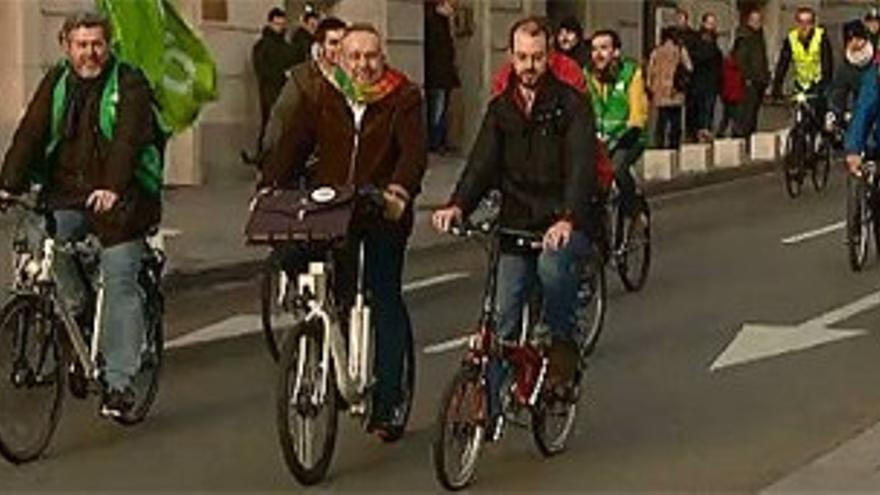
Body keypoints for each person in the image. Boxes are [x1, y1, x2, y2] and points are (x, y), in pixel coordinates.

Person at [432, 17, 597, 440]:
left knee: (552, 268)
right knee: (501, 317)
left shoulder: (571, 105)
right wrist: (456, 204)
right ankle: (486, 406)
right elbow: (481, 164)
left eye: (537, 57)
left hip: (562, 220)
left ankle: (560, 343)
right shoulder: (502, 108)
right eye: (522, 57)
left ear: (550, 57)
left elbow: (582, 169)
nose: (529, 65)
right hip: (517, 220)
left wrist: (568, 218)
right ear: (512, 56)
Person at [262, 24, 426, 439]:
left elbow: (413, 153)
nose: (362, 65)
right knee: (310, 267)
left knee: (381, 293)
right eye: (354, 56)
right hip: (332, 209)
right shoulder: (324, 93)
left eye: (370, 56)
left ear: (382, 57)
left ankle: (389, 400)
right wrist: (269, 186)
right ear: (339, 57)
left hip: (379, 210)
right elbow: (293, 143)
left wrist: (399, 192)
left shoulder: (403, 97)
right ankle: (328, 356)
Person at [0, 12, 164, 417]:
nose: (89, 52)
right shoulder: (56, 82)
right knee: (41, 242)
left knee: (119, 276)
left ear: (108, 46)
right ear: (66, 46)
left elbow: (128, 137)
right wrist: (9, 183)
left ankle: (119, 381)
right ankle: (76, 307)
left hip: (123, 201)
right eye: (81, 44)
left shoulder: (129, 82)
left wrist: (112, 186)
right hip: (68, 196)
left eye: (97, 44)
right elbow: (31, 131)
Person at [260, 16, 348, 164]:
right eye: (333, 43)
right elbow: (280, 118)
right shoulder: (301, 78)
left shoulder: (353, 78)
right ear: (321, 46)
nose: (339, 49)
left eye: (343, 43)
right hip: (309, 163)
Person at [585, 29, 648, 219]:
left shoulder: (631, 73)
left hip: (628, 137)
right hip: (598, 139)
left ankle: (632, 210)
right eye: (594, 49)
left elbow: (638, 113)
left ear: (616, 52)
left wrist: (628, 133)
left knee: (617, 169)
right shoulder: (587, 75)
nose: (598, 54)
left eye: (604, 48)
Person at [770, 7, 833, 132]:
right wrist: (776, 87)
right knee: (799, 114)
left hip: (817, 83)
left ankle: (820, 136)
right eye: (801, 22)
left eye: (808, 22)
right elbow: (783, 63)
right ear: (796, 23)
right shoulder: (791, 38)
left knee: (817, 114)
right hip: (801, 84)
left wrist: (823, 83)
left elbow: (827, 63)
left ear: (813, 24)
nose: (804, 26)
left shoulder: (821, 36)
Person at [252, 7, 298, 158]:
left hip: (287, 92)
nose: (280, 28)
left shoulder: (288, 47)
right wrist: (280, 75)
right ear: (270, 23)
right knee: (270, 126)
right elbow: (261, 69)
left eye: (282, 24)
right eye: (277, 24)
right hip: (270, 92)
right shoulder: (262, 46)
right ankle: (264, 158)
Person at [424, 0, 461, 154]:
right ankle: (436, 143)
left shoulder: (440, 22)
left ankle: (440, 141)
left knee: (441, 109)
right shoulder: (435, 22)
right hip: (438, 75)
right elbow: (440, 51)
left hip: (442, 74)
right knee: (437, 110)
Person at [648, 27, 691, 149]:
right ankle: (673, 145)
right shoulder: (680, 50)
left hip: (660, 89)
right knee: (675, 120)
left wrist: (650, 86)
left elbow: (650, 69)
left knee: (661, 119)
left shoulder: (656, 51)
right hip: (675, 89)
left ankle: (659, 144)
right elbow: (689, 67)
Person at [732, 8, 770, 138]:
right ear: (749, 21)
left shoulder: (759, 36)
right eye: (754, 20)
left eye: (759, 20)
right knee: (746, 114)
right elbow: (740, 60)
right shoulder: (745, 37)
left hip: (759, 81)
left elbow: (761, 59)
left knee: (753, 114)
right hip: (750, 82)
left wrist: (766, 76)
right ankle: (742, 140)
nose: (757, 22)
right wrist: (747, 77)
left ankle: (749, 139)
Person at [828, 20, 874, 127]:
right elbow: (838, 92)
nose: (855, 43)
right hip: (858, 112)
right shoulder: (845, 67)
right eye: (850, 40)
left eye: (858, 38)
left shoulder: (875, 60)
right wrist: (835, 112)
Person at [686, 13, 723, 143]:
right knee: (701, 110)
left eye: (713, 23)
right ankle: (699, 134)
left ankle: (704, 132)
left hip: (711, 81)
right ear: (703, 23)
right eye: (709, 23)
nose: (712, 26)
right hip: (700, 81)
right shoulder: (699, 39)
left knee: (708, 109)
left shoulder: (713, 39)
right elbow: (698, 57)